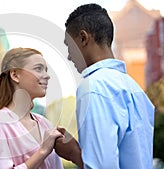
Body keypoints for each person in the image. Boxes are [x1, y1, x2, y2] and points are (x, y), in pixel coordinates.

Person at [63, 3, 155, 169]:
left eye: (69, 46)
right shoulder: (135, 89)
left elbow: (100, 166)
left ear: (83, 38)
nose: (69, 56)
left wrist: (73, 153)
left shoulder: (94, 86)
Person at [0, 47, 64, 169]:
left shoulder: (46, 125)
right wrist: (42, 151)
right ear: (15, 75)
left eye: (45, 70)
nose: (47, 76)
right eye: (38, 69)